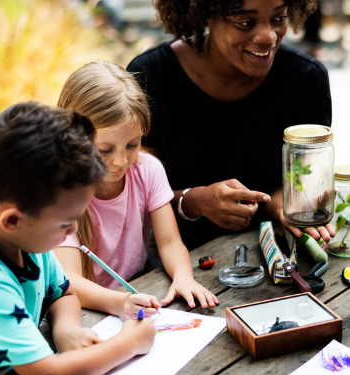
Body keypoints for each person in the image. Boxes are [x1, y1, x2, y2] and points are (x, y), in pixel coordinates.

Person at [0, 102, 155, 375]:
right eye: (65, 223)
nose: (73, 231)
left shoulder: (26, 239)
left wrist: (66, 330)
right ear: (12, 220)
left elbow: (62, 292)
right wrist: (129, 343)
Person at [126, 0, 334, 250]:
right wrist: (195, 201)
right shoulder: (151, 75)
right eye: (246, 22)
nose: (268, 36)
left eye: (279, 18)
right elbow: (131, 194)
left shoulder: (306, 79)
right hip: (174, 253)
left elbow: (298, 179)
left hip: (270, 247)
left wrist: (287, 206)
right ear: (206, 15)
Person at [55, 62, 218, 319]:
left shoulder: (148, 169)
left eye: (133, 144)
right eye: (104, 149)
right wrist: (120, 302)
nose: (121, 160)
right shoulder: (59, 191)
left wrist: (184, 277)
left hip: (135, 291)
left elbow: (170, 241)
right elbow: (70, 280)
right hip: (82, 309)